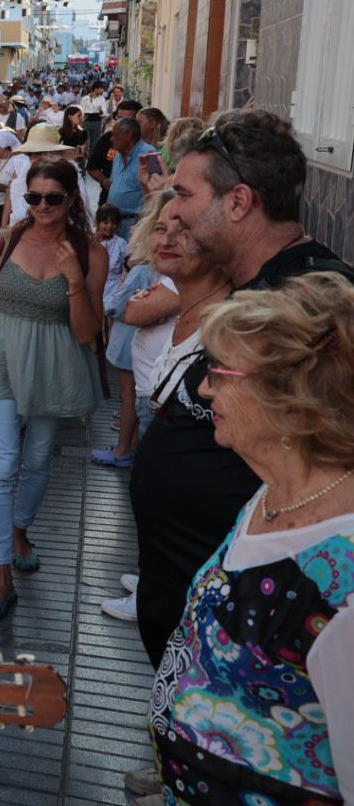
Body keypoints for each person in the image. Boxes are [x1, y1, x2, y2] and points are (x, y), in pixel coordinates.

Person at [133, 109, 352, 665]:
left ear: (237, 203)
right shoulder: (251, 286)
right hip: (196, 601)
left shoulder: (311, 304)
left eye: (182, 193)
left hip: (260, 631)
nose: (172, 208)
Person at [148, 273, 354, 806]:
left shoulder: (342, 589)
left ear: (290, 398)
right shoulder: (273, 491)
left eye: (219, 371)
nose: (204, 387)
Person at [0, 159, 105, 620]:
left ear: (71, 200)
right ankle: (1, 575)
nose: (41, 206)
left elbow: (87, 332)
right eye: (32, 197)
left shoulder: (91, 253)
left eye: (52, 198)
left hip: (55, 362)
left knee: (38, 459)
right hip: (0, 358)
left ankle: (20, 529)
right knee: (3, 465)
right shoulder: (2, 242)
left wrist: (75, 281)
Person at [93, 194, 178, 475]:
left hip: (128, 346)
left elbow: (117, 305)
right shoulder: (167, 272)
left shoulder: (142, 271)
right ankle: (128, 446)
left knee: (129, 397)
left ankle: (122, 450)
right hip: (147, 352)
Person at [104, 116, 156, 225]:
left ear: (128, 135)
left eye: (115, 134)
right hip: (114, 222)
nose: (111, 139)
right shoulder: (118, 154)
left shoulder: (150, 154)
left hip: (136, 222)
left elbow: (157, 191)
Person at [96, 204, 129, 304]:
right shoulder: (91, 242)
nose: (110, 226)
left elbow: (126, 267)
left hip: (115, 288)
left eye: (114, 223)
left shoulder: (121, 243)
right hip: (95, 285)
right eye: (105, 222)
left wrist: (121, 287)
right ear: (98, 223)